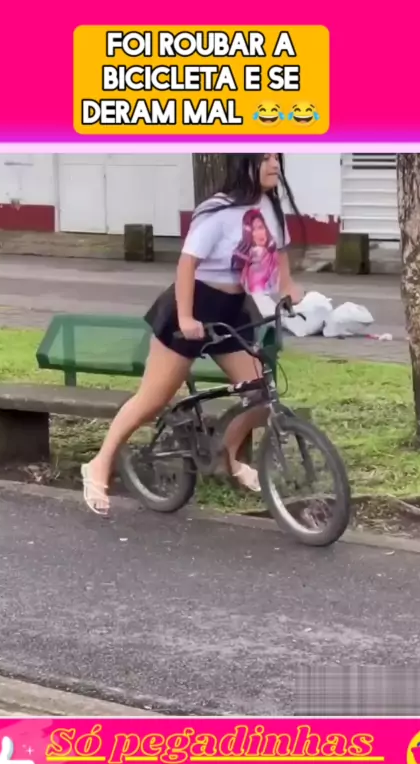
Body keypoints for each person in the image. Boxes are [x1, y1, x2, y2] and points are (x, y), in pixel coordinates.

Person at [81, 153, 304, 515]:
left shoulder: (270, 207)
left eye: (277, 156)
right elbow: (187, 264)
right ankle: (99, 464)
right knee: (152, 400)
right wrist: (186, 317)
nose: (275, 163)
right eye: (264, 157)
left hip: (232, 310)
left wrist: (289, 287)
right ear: (243, 163)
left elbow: (278, 253)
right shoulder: (218, 211)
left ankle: (227, 457)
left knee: (260, 393)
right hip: (192, 304)